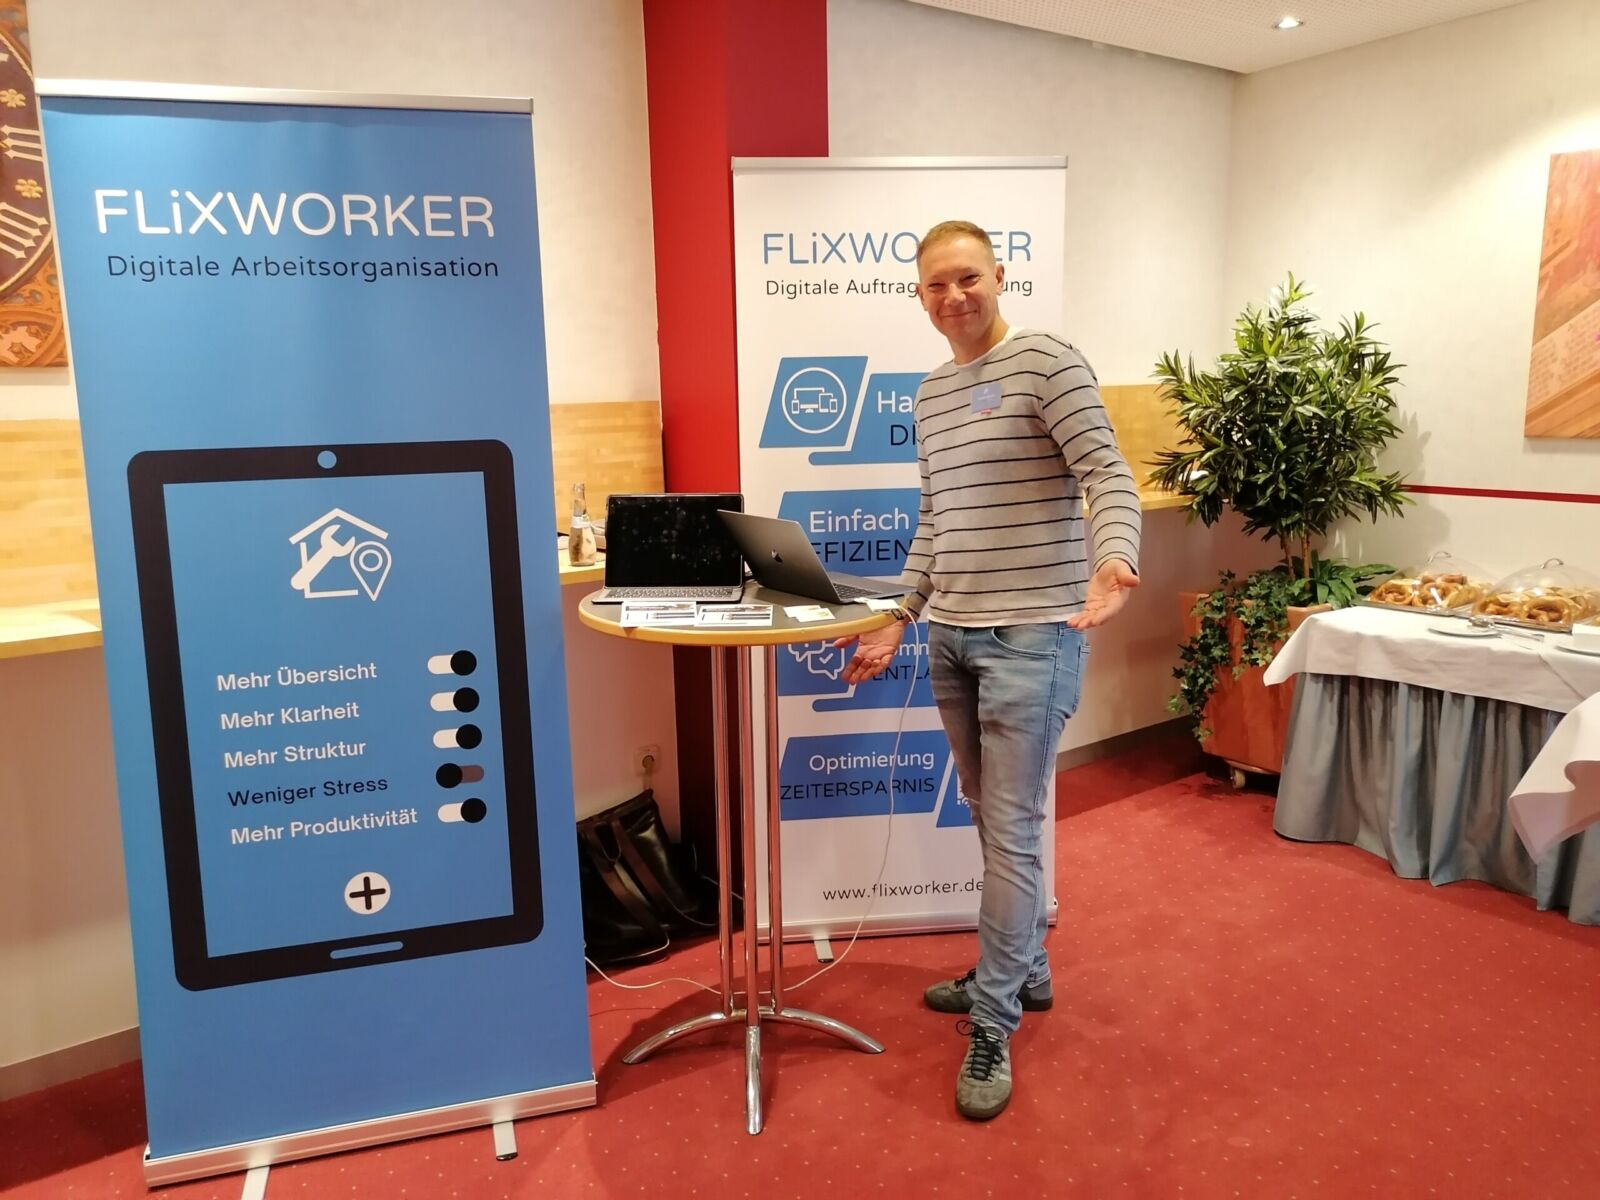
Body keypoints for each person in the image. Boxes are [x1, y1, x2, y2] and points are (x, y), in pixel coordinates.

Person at [834, 219, 1141, 1121]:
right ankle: (1025, 967)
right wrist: (900, 616)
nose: (954, 296)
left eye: (967, 277)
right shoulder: (932, 394)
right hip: (953, 640)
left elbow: (1107, 473)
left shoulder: (1048, 362)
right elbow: (936, 520)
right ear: (920, 296)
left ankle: (994, 1019)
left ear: (999, 276)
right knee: (989, 817)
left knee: (1010, 831)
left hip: (1032, 640)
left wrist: (1115, 557)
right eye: (936, 285)